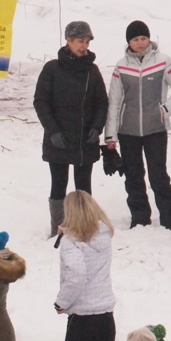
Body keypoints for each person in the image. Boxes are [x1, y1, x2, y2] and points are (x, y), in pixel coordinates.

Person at [105, 21, 171, 230]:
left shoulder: (163, 61)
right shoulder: (121, 66)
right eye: (135, 39)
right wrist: (110, 135)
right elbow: (114, 101)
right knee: (133, 176)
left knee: (158, 176)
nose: (140, 43)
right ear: (128, 42)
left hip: (155, 129)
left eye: (143, 38)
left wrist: (166, 110)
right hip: (128, 131)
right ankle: (140, 219)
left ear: (149, 39)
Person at [33, 20, 108, 237]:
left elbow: (102, 103)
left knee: (83, 187)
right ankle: (59, 227)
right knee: (58, 184)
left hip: (85, 139)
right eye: (79, 41)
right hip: (59, 138)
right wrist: (52, 131)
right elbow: (41, 102)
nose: (84, 46)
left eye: (86, 42)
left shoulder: (92, 71)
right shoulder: (52, 69)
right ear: (68, 40)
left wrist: (96, 127)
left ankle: (85, 226)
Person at [55, 191, 118, 341]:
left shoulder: (71, 242)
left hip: (81, 317)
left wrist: (62, 302)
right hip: (105, 315)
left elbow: (77, 275)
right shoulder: (104, 235)